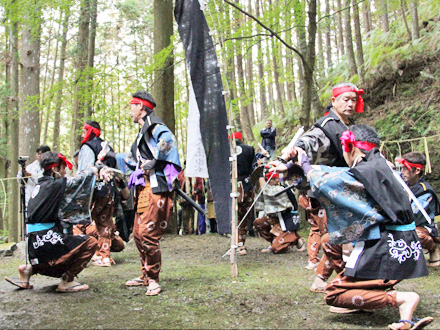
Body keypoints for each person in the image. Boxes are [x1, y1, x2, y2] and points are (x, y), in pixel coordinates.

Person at [276, 125, 433, 329]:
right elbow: (338, 172)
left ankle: (400, 299)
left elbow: (328, 183)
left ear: (351, 148)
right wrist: (295, 168)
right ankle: (362, 290)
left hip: (386, 250)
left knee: (334, 294)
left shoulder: (367, 171)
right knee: (329, 241)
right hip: (400, 246)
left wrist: (304, 163)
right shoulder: (377, 165)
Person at [282, 82, 364, 291]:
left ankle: (320, 279)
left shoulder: (348, 125)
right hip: (326, 190)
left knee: (336, 237)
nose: (350, 103)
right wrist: (296, 149)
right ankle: (349, 284)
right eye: (345, 99)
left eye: (353, 99)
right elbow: (309, 141)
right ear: (334, 101)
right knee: (336, 237)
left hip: (344, 188)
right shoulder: (327, 125)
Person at [5, 152, 98, 292]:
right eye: (63, 168)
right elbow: (80, 180)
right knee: (91, 242)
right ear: (55, 170)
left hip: (32, 245)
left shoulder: (40, 185)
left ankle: (27, 271)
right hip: (46, 241)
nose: (65, 172)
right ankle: (67, 281)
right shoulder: (56, 185)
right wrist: (93, 169)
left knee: (67, 239)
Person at [125, 91, 181, 296]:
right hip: (144, 188)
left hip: (157, 187)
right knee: (138, 234)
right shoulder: (142, 132)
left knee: (148, 234)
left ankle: (154, 279)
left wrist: (155, 160)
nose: (130, 111)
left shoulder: (156, 126)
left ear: (141, 107)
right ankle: (145, 274)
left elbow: (168, 141)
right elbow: (132, 158)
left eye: (132, 106)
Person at [77, 120, 123, 267]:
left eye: (84, 131)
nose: (82, 134)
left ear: (90, 131)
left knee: (82, 222)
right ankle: (104, 256)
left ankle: (82, 252)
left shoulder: (88, 147)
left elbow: (85, 170)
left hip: (92, 191)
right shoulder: (108, 147)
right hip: (108, 190)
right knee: (105, 223)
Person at [397, 152, 440, 267]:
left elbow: (412, 214)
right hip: (401, 221)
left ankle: (432, 246)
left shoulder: (426, 192)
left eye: (406, 169)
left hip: (420, 225)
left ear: (417, 171)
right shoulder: (400, 179)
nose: (402, 171)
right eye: (402, 168)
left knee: (415, 234)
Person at [253, 165, 305, 254]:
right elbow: (261, 196)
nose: (276, 180)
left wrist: (260, 175)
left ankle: (296, 239)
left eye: (275, 178)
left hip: (286, 221)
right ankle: (274, 240)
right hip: (275, 220)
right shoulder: (270, 188)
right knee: (259, 223)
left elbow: (266, 190)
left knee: (277, 248)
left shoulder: (281, 188)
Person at [232, 132, 255, 256]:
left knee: (234, 216)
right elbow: (254, 169)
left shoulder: (227, 151)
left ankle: (237, 243)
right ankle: (240, 243)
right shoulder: (250, 149)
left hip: (233, 187)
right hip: (247, 186)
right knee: (244, 217)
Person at [178, 165, 195, 235]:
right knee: (185, 214)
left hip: (192, 196)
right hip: (185, 196)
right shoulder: (181, 175)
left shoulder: (192, 174)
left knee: (192, 213)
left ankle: (191, 229)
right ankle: (186, 230)